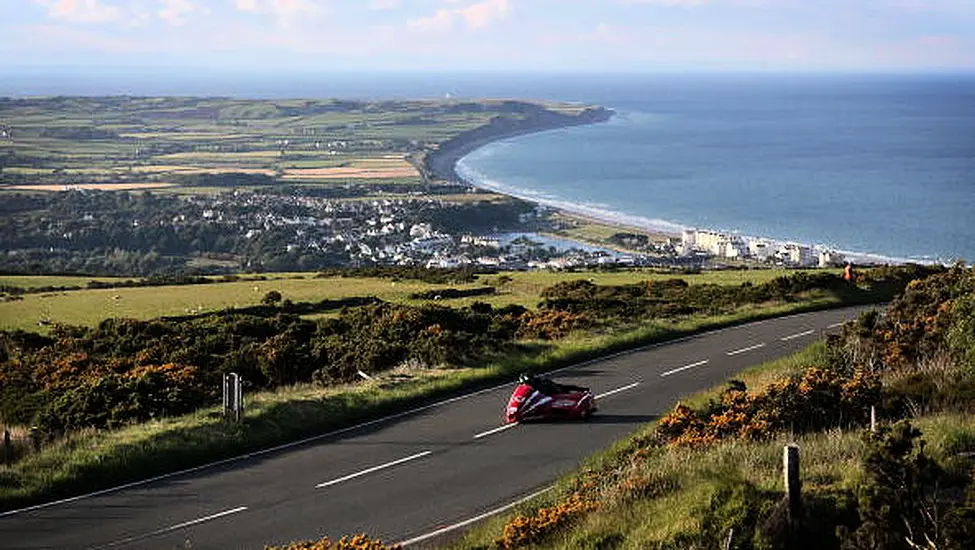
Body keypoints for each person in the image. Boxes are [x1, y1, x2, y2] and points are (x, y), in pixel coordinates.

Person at [519, 373, 586, 396]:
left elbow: (545, 391)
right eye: (523, 383)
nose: (525, 384)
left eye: (527, 383)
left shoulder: (540, 383)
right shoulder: (523, 388)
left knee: (562, 388)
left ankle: (580, 390)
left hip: (551, 393)